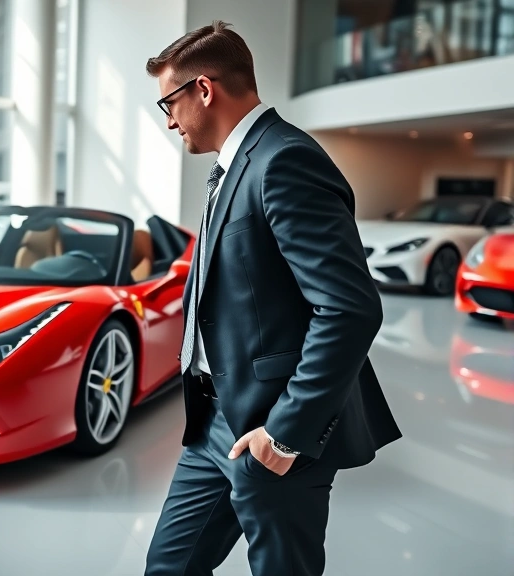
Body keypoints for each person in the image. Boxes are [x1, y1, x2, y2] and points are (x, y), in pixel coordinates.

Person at [142, 21, 402, 576]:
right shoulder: (235, 165)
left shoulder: (284, 160)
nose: (169, 120)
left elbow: (349, 308)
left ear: (203, 90)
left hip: (273, 427)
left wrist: (284, 436)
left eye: (169, 103)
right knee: (168, 566)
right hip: (213, 419)